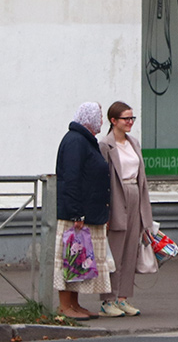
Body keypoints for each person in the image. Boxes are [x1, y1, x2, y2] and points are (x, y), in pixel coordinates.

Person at [54, 102, 111, 320]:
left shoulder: (85, 140)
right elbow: (71, 178)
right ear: (89, 118)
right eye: (99, 116)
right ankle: (64, 306)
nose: (101, 121)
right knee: (70, 258)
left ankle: (75, 305)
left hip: (87, 213)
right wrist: (76, 213)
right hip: (76, 215)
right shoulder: (76, 141)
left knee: (79, 261)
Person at [99, 101, 154, 317]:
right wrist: (105, 210)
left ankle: (123, 298)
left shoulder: (134, 143)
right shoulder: (105, 145)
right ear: (114, 121)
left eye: (132, 118)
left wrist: (144, 209)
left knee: (132, 248)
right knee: (115, 252)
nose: (130, 122)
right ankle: (107, 300)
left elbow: (142, 177)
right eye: (126, 118)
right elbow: (102, 180)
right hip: (116, 198)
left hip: (135, 196)